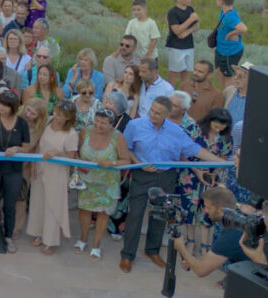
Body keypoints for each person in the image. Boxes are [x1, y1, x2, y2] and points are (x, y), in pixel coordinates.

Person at [119, 96, 224, 273]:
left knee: (161, 215)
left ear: (167, 115)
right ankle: (127, 255)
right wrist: (139, 163)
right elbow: (125, 148)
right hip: (141, 175)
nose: (153, 114)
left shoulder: (176, 131)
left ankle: (152, 251)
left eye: (158, 113)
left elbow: (196, 151)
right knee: (135, 215)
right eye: (152, 110)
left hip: (167, 176)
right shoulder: (135, 125)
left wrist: (222, 162)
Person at [75, 107, 130, 259]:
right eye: (97, 121)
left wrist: (112, 162)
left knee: (103, 212)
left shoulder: (118, 137)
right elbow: (75, 152)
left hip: (108, 183)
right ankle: (83, 238)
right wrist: (79, 162)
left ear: (111, 124)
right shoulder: (85, 131)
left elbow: (126, 160)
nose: (99, 125)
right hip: (87, 179)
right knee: (84, 210)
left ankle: (96, 244)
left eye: (103, 123)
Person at [25, 101, 79, 254]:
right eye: (56, 112)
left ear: (68, 118)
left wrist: (57, 153)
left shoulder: (71, 134)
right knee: (38, 203)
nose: (56, 116)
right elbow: (38, 144)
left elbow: (71, 157)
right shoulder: (48, 121)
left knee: (53, 206)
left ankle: (51, 240)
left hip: (57, 173)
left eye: (60, 115)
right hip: (40, 168)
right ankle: (39, 233)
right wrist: (34, 162)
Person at [0, 90, 30, 253]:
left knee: (10, 205)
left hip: (13, 171)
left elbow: (27, 146)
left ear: (13, 107)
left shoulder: (22, 123)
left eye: (6, 105)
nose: (1, 107)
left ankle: (8, 237)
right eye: (0, 103)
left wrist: (16, 149)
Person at [170, 185, 248, 277]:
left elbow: (201, 270)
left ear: (220, 209)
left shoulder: (231, 233)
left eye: (208, 207)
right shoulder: (238, 217)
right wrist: (193, 260)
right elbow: (214, 254)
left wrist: (181, 247)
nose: (205, 211)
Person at [165, 0, 199, 85]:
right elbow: (176, 30)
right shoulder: (173, 12)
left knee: (186, 71)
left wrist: (187, 33)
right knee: (174, 72)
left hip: (188, 45)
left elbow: (196, 26)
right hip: (175, 46)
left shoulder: (190, 9)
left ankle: (185, 93)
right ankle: (169, 93)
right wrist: (190, 20)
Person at [212, 0, 246, 83]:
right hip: (221, 49)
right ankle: (224, 94)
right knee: (218, 71)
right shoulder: (223, 12)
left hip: (229, 51)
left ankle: (229, 95)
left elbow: (243, 28)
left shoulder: (230, 16)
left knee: (228, 76)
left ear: (221, 1)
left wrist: (230, 34)